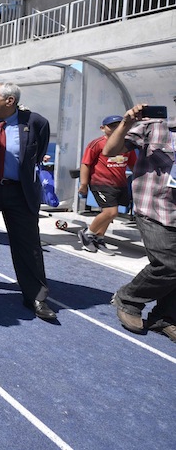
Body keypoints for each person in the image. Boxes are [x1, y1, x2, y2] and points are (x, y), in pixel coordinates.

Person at [0, 83, 56, 321]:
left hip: (20, 192)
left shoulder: (35, 122)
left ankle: (36, 297)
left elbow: (36, 155)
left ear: (9, 101)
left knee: (28, 245)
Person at [104, 102, 175, 343]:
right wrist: (126, 122)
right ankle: (129, 298)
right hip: (155, 206)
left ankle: (164, 317)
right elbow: (109, 151)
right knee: (167, 264)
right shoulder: (154, 126)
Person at [78, 115, 137, 253]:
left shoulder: (127, 145)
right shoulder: (96, 144)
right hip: (100, 183)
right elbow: (86, 164)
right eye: (112, 126)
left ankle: (99, 237)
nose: (115, 128)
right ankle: (88, 233)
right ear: (102, 128)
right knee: (111, 211)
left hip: (119, 183)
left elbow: (133, 164)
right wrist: (84, 184)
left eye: (118, 125)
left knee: (111, 214)